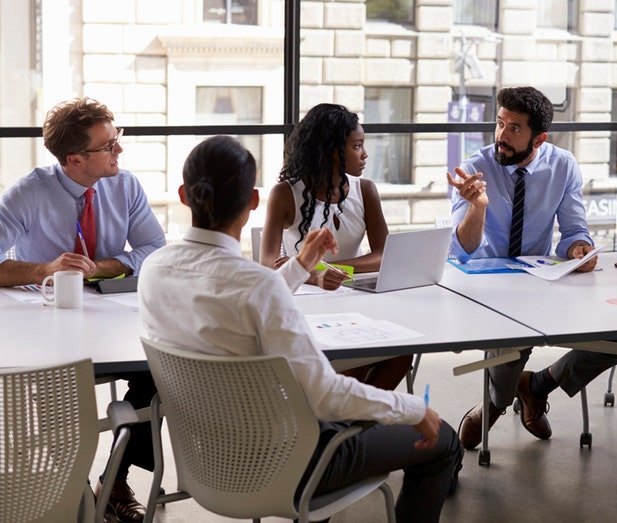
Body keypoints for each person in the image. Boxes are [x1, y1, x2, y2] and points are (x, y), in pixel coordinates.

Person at [139, 136, 462, 522]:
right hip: (291, 464)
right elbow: (325, 396)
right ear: (253, 202)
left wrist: (301, 264)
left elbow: (251, 299)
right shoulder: (256, 285)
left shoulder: (155, 268)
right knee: (443, 442)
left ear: (183, 195)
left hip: (206, 461)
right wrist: (413, 409)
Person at [0, 97, 165, 522]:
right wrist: (44, 267)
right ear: (74, 159)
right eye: (108, 145)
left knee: (156, 370)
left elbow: (155, 249)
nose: (119, 151)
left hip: (112, 318)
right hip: (47, 325)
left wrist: (103, 267)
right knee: (60, 388)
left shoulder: (124, 185)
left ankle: (114, 480)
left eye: (117, 139)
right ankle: (67, 488)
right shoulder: (29, 192)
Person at [447, 86, 617, 449]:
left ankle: (537, 384)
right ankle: (495, 406)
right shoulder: (473, 169)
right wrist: (477, 206)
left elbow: (575, 231)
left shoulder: (563, 166)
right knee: (511, 336)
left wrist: (579, 249)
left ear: (539, 138)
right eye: (500, 123)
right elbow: (462, 250)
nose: (502, 135)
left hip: (538, 278)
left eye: (514, 128)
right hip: (485, 283)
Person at [261, 103, 413, 391]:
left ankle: (357, 424)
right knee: (353, 363)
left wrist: (332, 269)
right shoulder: (284, 194)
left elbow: (384, 255)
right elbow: (267, 265)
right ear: (331, 150)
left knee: (403, 353)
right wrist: (314, 275)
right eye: (357, 146)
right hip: (305, 304)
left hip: (355, 300)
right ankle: (351, 426)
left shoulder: (365, 190)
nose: (365, 154)